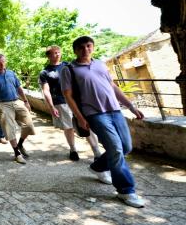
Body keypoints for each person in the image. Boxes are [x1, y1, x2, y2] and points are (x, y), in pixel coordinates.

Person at [61, 36, 146, 208]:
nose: (86, 49)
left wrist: (130, 106)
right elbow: (68, 95)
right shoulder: (69, 69)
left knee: (126, 147)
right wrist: (79, 116)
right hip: (94, 113)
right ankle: (126, 191)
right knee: (115, 148)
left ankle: (99, 167)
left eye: (88, 45)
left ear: (92, 47)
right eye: (81, 47)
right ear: (75, 50)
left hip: (115, 110)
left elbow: (113, 87)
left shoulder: (100, 64)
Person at [39, 45, 102, 161]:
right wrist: (51, 106)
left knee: (86, 125)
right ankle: (73, 149)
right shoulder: (45, 72)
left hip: (77, 100)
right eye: (54, 53)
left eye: (58, 52)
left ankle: (97, 152)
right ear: (48, 56)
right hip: (60, 102)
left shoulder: (69, 66)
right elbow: (46, 90)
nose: (57, 54)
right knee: (68, 127)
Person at [0, 54, 36, 164]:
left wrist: (26, 101)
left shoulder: (11, 73)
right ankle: (17, 153)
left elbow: (19, 88)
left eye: (3, 62)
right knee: (9, 129)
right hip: (2, 104)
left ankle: (20, 144)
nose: (2, 64)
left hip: (16, 101)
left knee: (28, 125)